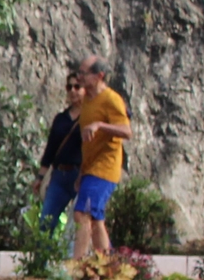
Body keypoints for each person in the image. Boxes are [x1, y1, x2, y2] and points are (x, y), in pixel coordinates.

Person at [70, 54, 133, 259]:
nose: (79, 77)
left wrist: (99, 125)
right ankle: (104, 268)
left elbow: (126, 131)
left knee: (82, 214)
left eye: (84, 73)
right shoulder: (87, 101)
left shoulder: (111, 99)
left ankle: (77, 267)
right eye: (78, 72)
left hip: (105, 168)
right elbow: (87, 144)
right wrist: (81, 173)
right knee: (96, 220)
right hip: (90, 168)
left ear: (99, 76)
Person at [36, 71, 86, 225]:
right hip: (59, 175)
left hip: (80, 174)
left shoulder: (90, 117)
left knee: (78, 223)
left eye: (77, 87)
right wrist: (40, 177)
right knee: (46, 220)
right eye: (69, 87)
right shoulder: (61, 119)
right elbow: (50, 149)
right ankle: (44, 250)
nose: (72, 90)